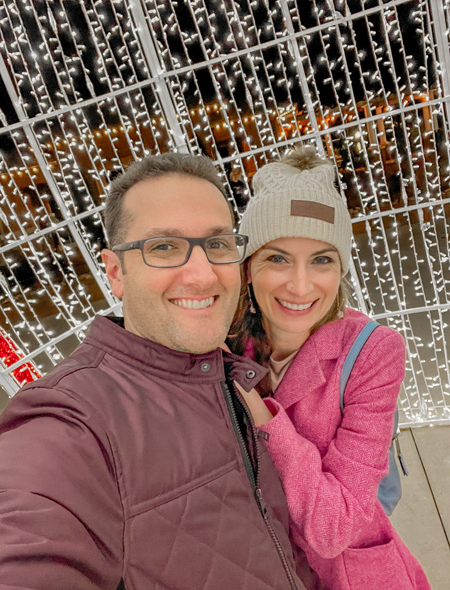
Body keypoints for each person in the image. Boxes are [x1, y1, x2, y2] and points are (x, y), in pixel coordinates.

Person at [0, 152, 312, 590]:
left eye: (218, 244)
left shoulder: (229, 368)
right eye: (163, 247)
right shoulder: (72, 418)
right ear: (116, 273)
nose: (203, 276)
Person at [229, 145, 431, 590]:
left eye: (321, 259)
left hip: (351, 577)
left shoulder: (372, 352)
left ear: (340, 268)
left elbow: (332, 528)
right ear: (247, 269)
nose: (300, 286)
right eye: (277, 257)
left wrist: (266, 419)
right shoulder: (224, 347)